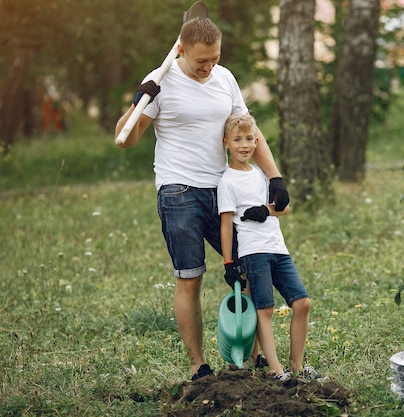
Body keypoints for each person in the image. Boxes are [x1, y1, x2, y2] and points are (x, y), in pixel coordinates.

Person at [114, 17, 289, 381]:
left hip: (225, 188)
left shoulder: (224, 78)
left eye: (214, 58)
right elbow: (124, 139)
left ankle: (253, 357)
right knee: (190, 277)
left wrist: (275, 177)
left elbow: (248, 130)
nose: (209, 67)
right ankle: (199, 366)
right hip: (179, 191)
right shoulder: (160, 82)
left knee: (251, 265)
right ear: (181, 50)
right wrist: (138, 102)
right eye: (201, 62)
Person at [218, 113, 317, 381]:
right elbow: (226, 225)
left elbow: (285, 208)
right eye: (238, 139)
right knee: (264, 308)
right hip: (253, 252)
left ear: (257, 141)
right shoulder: (227, 182)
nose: (244, 145)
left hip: (278, 248)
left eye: (249, 139)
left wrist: (266, 210)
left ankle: (297, 367)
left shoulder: (263, 174)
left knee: (303, 303)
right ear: (226, 143)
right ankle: (275, 370)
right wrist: (229, 262)